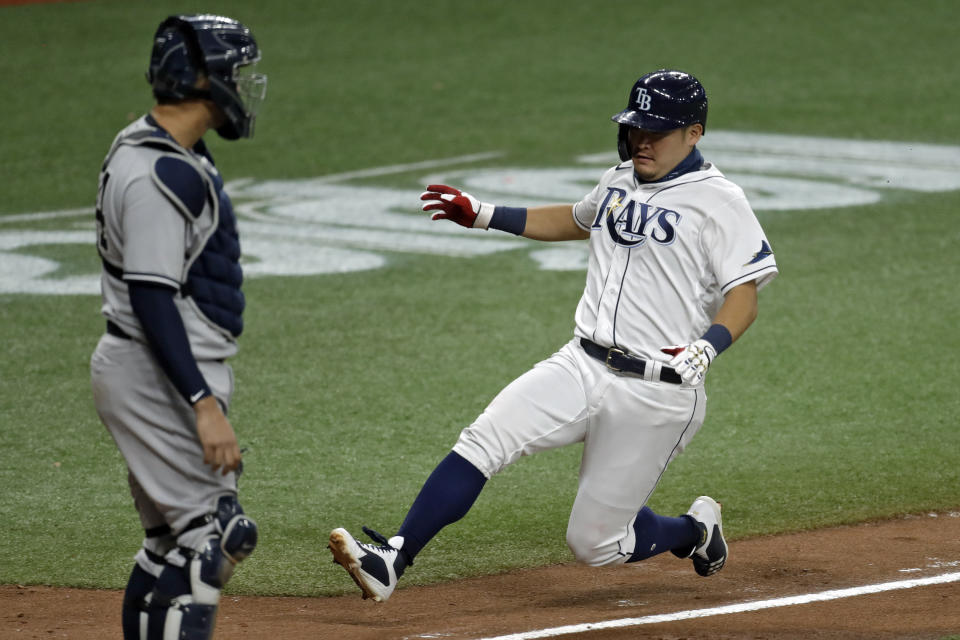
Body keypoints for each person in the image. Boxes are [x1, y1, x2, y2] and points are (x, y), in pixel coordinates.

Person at [329, 69, 778, 602]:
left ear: (694, 133)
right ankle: (392, 560)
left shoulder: (720, 202)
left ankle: (695, 531)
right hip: (582, 364)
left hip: (656, 392)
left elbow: (744, 296)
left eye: (655, 131)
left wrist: (708, 346)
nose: (641, 140)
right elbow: (576, 218)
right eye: (636, 128)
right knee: (484, 439)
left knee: (595, 544)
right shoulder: (618, 179)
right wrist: (483, 215)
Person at [90, 14, 267, 639]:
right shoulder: (161, 177)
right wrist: (201, 404)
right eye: (235, 73)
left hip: (147, 364)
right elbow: (151, 295)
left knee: (170, 542)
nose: (243, 87)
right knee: (214, 538)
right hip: (158, 368)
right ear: (202, 80)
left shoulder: (153, 145)